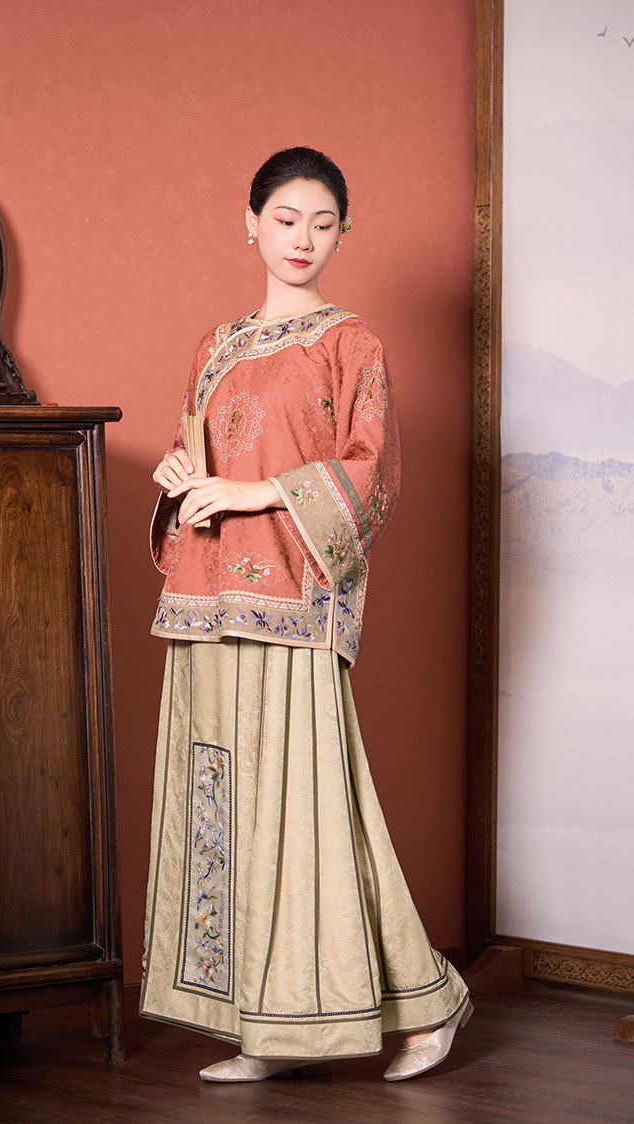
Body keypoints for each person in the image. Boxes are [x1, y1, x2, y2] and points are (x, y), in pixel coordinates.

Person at [140, 146, 472, 1083]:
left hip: (292, 604)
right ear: (250, 223)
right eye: (286, 219)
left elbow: (373, 474)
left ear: (342, 234)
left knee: (311, 819)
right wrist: (177, 475)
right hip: (206, 604)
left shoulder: (350, 343)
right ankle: (270, 1030)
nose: (303, 238)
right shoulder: (216, 345)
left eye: (323, 224)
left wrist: (253, 494)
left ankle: (431, 1000)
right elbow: (198, 452)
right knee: (229, 816)